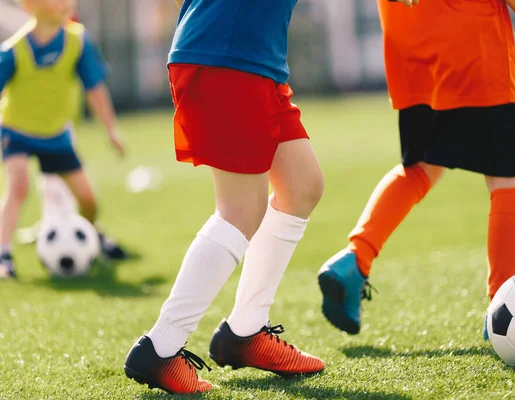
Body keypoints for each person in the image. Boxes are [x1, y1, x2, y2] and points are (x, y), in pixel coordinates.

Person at [317, 0, 515, 340]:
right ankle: (504, 314)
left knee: (421, 167)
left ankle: (356, 260)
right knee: (507, 175)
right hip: (472, 40)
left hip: (409, 46)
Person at [123, 0, 326, 394]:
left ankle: (245, 332)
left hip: (252, 58)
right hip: (227, 56)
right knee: (241, 209)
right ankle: (161, 347)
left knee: (301, 185)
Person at [0, 0, 126, 279]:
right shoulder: (13, 50)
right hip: (16, 130)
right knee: (18, 185)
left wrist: (111, 129)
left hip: (56, 134)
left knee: (88, 200)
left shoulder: (78, 41)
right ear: (31, 7)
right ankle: (4, 255)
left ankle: (90, 237)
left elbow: (94, 88)